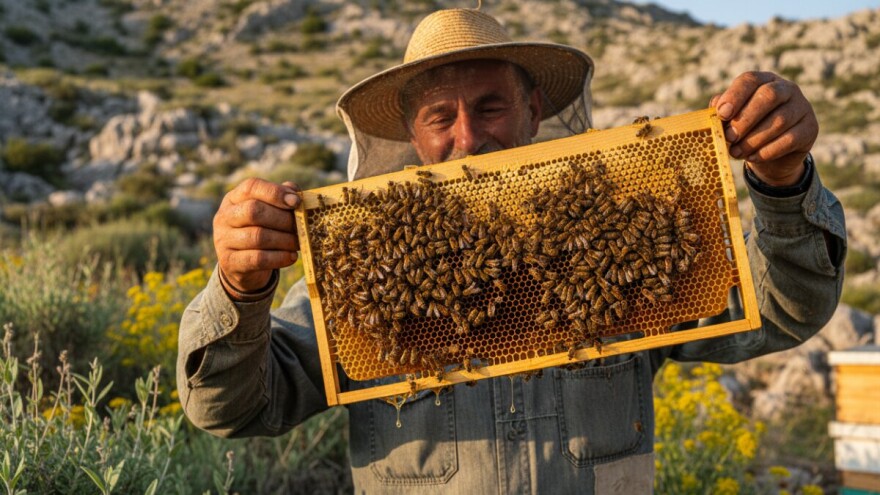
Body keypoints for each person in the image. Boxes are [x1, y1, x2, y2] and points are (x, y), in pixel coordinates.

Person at [177, 8, 845, 494]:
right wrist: (240, 289)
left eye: (491, 107)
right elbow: (232, 407)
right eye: (441, 116)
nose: (469, 137)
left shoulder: (620, 246)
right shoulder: (362, 275)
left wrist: (782, 182)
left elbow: (784, 310)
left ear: (532, 110)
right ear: (413, 133)